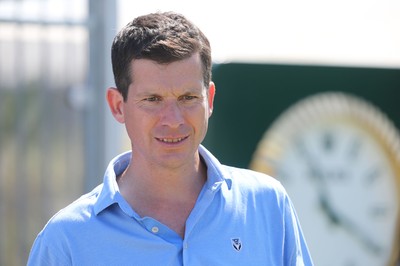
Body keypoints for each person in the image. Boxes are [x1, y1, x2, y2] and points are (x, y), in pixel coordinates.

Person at [27, 11, 313, 265]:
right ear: (117, 106)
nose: (173, 120)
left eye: (188, 98)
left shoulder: (267, 205)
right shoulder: (66, 241)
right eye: (152, 99)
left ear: (209, 100)